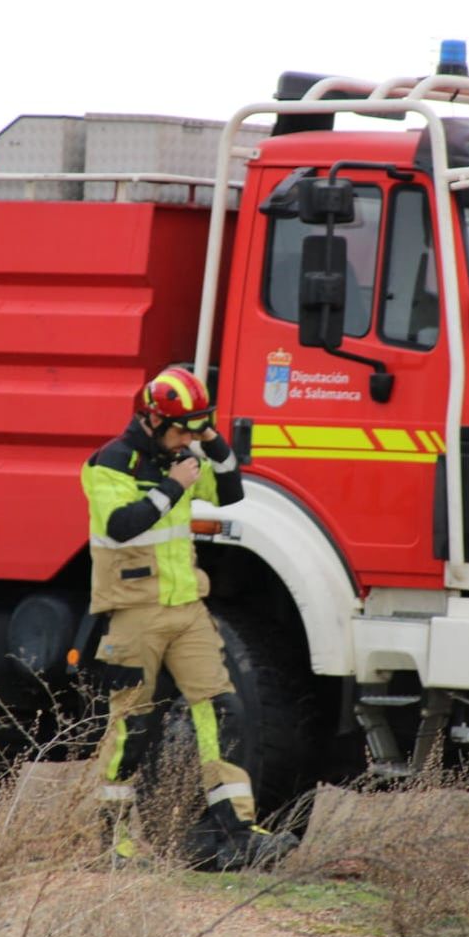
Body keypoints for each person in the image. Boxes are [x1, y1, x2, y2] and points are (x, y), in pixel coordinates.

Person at [80, 365, 297, 869]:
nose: (188, 439)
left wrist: (213, 441)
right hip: (135, 614)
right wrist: (174, 487)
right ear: (152, 419)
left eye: (195, 429)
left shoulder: (183, 455)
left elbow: (230, 493)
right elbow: (121, 526)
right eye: (183, 427)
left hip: (188, 612)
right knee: (130, 731)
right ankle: (112, 844)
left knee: (225, 712)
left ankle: (238, 831)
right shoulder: (109, 464)